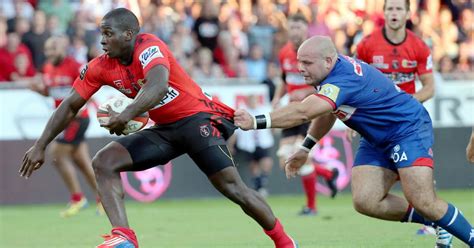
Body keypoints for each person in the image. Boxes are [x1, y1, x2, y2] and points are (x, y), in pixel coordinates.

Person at [19, 8, 297, 248]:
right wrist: (40, 145)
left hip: (198, 120)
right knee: (104, 162)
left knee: (234, 189)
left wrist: (126, 113)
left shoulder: (149, 46)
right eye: (100, 34)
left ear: (129, 34)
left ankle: (285, 242)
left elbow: (158, 84)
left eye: (108, 33)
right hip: (165, 129)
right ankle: (124, 237)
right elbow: (69, 105)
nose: (102, 40)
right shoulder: (100, 66)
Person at [234, 36, 474, 248]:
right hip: (376, 137)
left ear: (328, 61)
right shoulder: (330, 73)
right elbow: (325, 112)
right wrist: (306, 146)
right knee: (365, 201)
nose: (300, 68)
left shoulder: (342, 79)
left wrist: (255, 121)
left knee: (423, 200)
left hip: (407, 128)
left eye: (306, 63)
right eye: (299, 61)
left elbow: (304, 112)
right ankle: (440, 221)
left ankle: (462, 231)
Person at [352, 0, 437, 237]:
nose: (394, 13)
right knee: (364, 199)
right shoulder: (367, 45)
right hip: (375, 124)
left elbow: (430, 87)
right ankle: (431, 219)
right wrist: (354, 116)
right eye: (390, 8)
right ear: (384, 13)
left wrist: (407, 103)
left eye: (399, 8)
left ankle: (436, 220)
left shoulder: (419, 46)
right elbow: (351, 81)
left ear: (408, 13)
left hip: (407, 123)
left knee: (420, 184)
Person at [26, 36, 101, 217]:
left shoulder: (75, 66)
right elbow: (52, 92)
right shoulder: (47, 68)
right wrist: (39, 91)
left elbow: (90, 87)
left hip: (76, 119)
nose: (49, 53)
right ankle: (103, 200)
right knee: (82, 162)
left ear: (63, 48)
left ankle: (78, 199)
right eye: (47, 49)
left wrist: (96, 106)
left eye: (53, 49)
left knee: (56, 154)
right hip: (63, 121)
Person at [272, 13, 338, 216]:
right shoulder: (284, 53)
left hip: (309, 111)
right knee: (285, 160)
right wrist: (277, 98)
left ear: (306, 30)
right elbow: (285, 80)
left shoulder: (315, 54)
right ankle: (327, 173)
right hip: (292, 111)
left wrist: (306, 92)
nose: (295, 32)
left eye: (298, 28)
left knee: (300, 154)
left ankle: (311, 207)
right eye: (292, 28)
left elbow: (328, 85)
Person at [231, 94, 275, 197]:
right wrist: (231, 145)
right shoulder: (243, 112)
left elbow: (272, 124)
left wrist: (270, 134)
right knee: (253, 164)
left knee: (266, 161)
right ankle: (258, 185)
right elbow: (236, 131)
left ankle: (262, 180)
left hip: (262, 142)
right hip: (248, 143)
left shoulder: (264, 110)